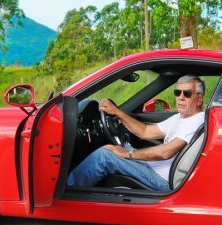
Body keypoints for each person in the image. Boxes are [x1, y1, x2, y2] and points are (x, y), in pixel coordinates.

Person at [66, 75, 206, 192]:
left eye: (187, 94)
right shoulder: (180, 118)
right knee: (116, 147)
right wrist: (117, 112)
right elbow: (145, 131)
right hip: (153, 167)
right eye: (177, 92)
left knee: (104, 156)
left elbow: (166, 152)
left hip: (163, 180)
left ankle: (68, 191)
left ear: (199, 99)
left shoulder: (196, 120)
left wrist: (127, 154)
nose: (180, 97)